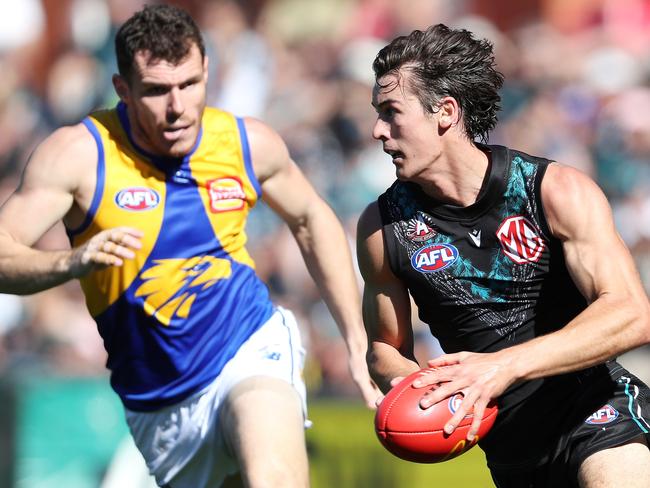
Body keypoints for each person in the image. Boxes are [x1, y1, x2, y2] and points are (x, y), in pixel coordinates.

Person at [0, 5, 380, 488]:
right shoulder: (80, 155)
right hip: (160, 403)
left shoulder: (247, 143)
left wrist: (354, 337)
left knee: (274, 479)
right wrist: (70, 262)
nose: (178, 106)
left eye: (190, 84)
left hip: (247, 343)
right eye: (157, 91)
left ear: (207, 72)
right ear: (123, 90)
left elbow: (311, 219)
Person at [356, 23, 650, 488]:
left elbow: (633, 313)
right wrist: (415, 389)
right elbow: (385, 348)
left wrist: (504, 366)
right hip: (512, 452)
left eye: (392, 112)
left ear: (445, 113)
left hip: (599, 414)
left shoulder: (553, 190)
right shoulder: (382, 226)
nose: (377, 130)